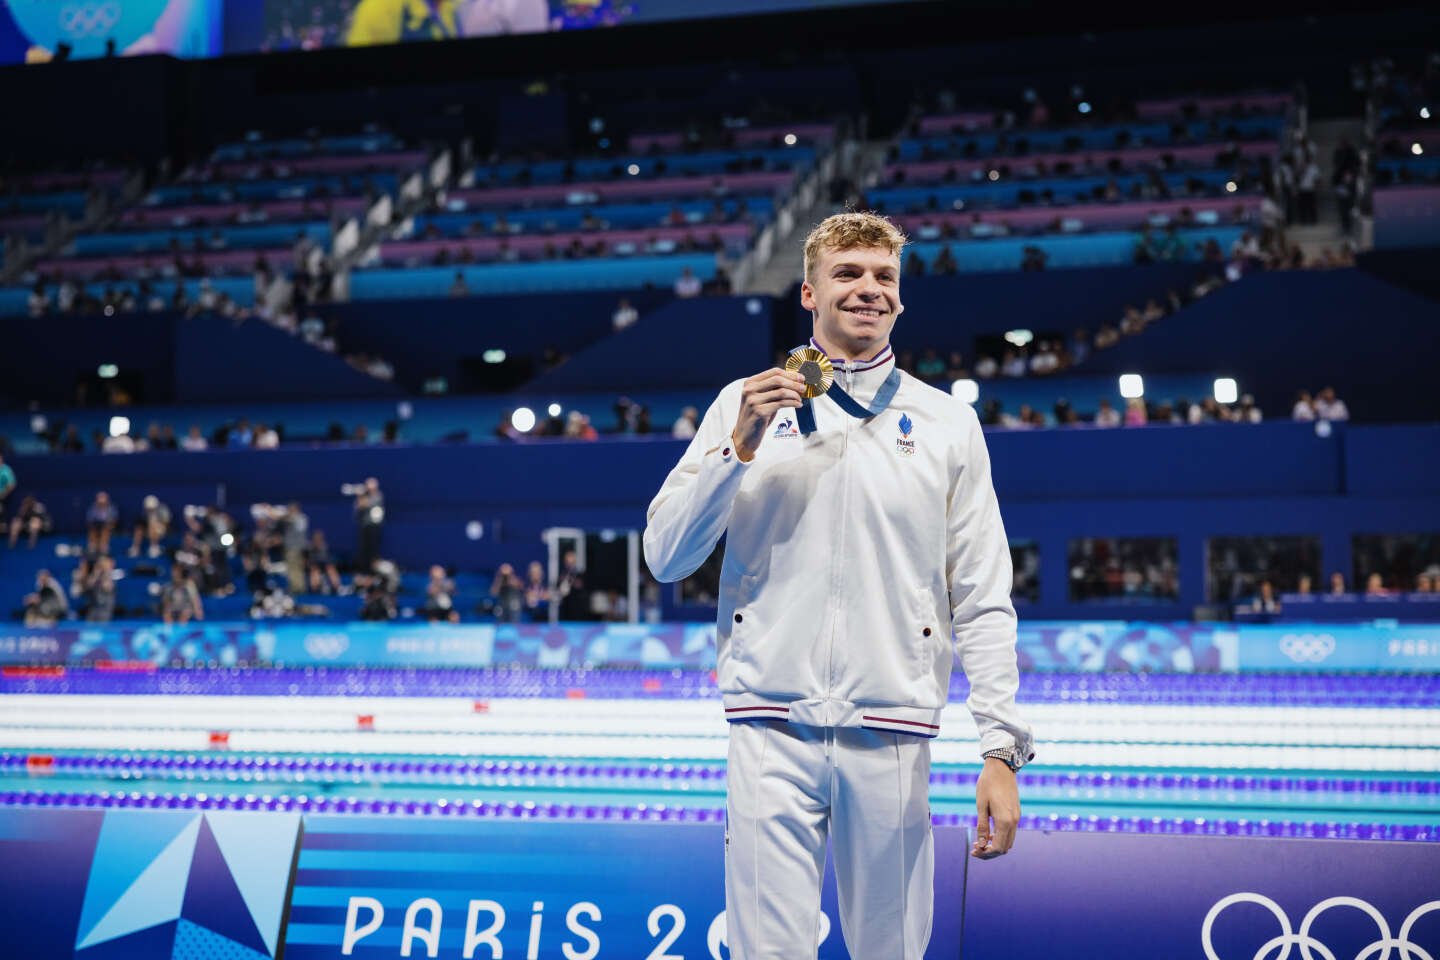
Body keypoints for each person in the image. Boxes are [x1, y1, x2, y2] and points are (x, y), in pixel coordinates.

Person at [644, 212, 1033, 959]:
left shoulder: (948, 422)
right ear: (808, 292)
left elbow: (983, 594)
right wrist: (739, 450)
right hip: (769, 727)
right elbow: (666, 555)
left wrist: (1000, 750)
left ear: (901, 298)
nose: (869, 289)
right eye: (849, 274)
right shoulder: (743, 403)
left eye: (884, 276)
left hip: (892, 734)